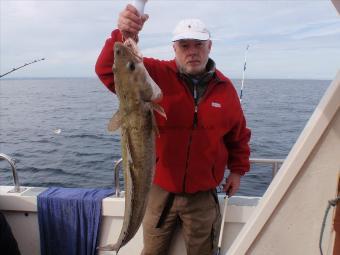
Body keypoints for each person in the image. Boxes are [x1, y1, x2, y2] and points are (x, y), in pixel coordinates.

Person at [95, 4, 251, 255]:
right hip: (158, 190)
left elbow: (238, 135)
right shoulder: (154, 73)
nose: (192, 52)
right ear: (174, 49)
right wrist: (123, 33)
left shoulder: (225, 88)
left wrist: (238, 171)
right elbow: (108, 70)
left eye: (198, 45)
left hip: (203, 194)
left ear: (209, 47)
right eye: (184, 45)